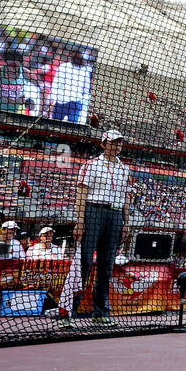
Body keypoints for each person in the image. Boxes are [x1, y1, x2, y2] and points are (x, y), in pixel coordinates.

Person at [70, 129, 132, 325]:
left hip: (115, 215)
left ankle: (101, 312)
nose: (116, 146)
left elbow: (125, 198)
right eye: (113, 143)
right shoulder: (91, 165)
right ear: (103, 144)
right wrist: (80, 221)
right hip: (93, 211)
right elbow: (81, 194)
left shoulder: (124, 169)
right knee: (85, 262)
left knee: (107, 265)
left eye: (119, 143)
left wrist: (126, 222)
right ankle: (70, 310)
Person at [49, 52, 91, 123]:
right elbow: (86, 90)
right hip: (63, 101)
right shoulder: (65, 67)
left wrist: (53, 98)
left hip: (72, 102)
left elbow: (55, 84)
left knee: (56, 123)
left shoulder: (84, 70)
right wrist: (53, 98)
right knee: (67, 125)